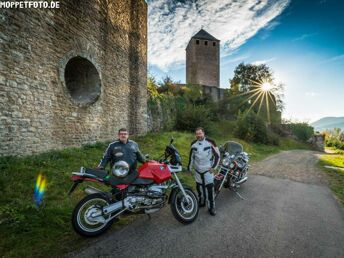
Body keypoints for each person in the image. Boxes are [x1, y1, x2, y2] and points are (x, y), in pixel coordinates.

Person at [187, 127, 220, 216]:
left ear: (203, 133)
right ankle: (202, 201)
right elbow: (191, 157)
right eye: (197, 134)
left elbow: (217, 156)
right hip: (197, 171)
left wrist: (213, 167)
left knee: (209, 189)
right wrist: (189, 168)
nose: (199, 135)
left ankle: (211, 207)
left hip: (208, 170)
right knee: (199, 188)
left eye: (200, 133)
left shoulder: (210, 142)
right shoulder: (193, 144)